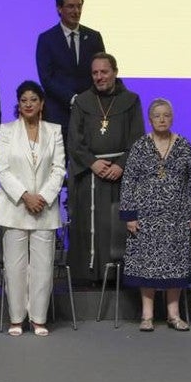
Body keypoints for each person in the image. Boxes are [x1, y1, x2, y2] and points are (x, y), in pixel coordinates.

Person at [120, 98, 191, 332]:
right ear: (150, 119)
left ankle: (173, 315)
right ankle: (147, 316)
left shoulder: (184, 145)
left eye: (166, 115)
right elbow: (129, 182)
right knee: (147, 267)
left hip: (177, 219)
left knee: (175, 267)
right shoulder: (140, 146)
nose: (162, 119)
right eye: (157, 115)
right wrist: (130, 215)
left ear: (172, 118)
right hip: (145, 219)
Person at [0, 81, 65, 337]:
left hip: (44, 209)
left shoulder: (54, 131)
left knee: (43, 266)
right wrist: (25, 196)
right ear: (18, 105)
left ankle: (38, 318)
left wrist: (42, 197)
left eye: (34, 99)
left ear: (42, 103)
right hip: (15, 207)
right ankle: (16, 317)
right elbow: (2, 169)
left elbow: (58, 169)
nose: (29, 104)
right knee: (15, 266)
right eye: (24, 100)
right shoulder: (7, 131)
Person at [68, 52, 144, 284]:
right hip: (90, 176)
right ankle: (89, 275)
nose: (99, 77)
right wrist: (92, 162)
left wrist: (121, 165)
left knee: (114, 225)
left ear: (115, 72)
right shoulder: (82, 101)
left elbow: (138, 139)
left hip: (120, 176)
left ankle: (118, 276)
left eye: (104, 72)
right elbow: (74, 140)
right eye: (95, 73)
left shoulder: (131, 100)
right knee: (90, 225)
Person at [35, 0, 105, 129]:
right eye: (71, 6)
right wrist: (72, 98)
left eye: (79, 6)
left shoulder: (94, 37)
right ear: (59, 9)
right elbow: (46, 78)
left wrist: (86, 100)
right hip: (58, 113)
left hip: (90, 111)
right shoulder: (47, 39)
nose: (76, 11)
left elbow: (101, 70)